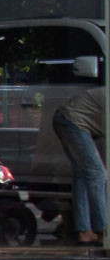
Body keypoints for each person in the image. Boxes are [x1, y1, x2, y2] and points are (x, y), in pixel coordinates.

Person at [53, 86, 107, 246]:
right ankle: (103, 231)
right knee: (97, 173)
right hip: (73, 121)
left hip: (67, 118)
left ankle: (85, 231)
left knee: (83, 175)